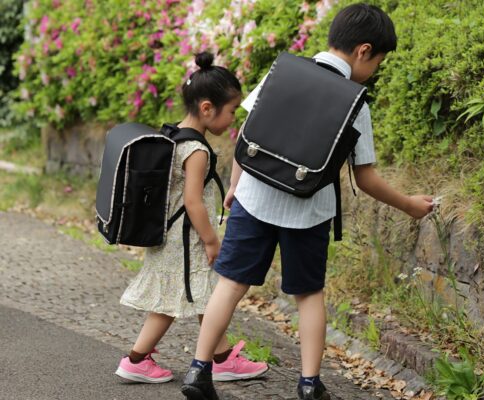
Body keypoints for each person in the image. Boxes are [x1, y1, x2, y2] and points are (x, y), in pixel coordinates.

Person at [181, 4, 434, 400]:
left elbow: (247, 135)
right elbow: (364, 177)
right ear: (364, 51)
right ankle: (309, 384)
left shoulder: (281, 72)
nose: (375, 70)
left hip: (254, 196)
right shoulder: (356, 102)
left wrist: (235, 185)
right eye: (378, 61)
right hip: (308, 209)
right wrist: (409, 205)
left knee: (230, 285)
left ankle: (198, 371)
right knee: (309, 295)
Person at [115, 52, 268, 385]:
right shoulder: (196, 150)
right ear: (207, 108)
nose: (232, 119)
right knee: (172, 301)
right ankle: (136, 359)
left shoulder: (173, 135)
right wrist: (211, 239)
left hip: (170, 233)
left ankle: (223, 358)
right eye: (230, 111)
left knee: (201, 294)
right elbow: (193, 201)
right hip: (185, 238)